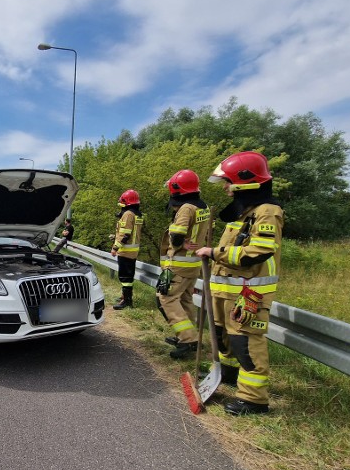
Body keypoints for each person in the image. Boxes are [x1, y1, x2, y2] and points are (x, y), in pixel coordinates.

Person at [195, 151, 283, 416]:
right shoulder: (246, 214)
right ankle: (229, 375)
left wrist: (213, 253)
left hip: (248, 293)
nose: (226, 188)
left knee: (246, 343)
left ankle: (254, 399)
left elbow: (257, 252)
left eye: (229, 182)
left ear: (246, 183)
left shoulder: (268, 213)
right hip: (224, 290)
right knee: (224, 339)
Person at [156, 170, 211, 359]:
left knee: (166, 298)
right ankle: (192, 339)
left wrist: (179, 242)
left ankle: (186, 339)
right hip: (193, 264)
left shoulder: (187, 208)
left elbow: (178, 234)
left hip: (179, 264)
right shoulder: (203, 206)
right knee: (186, 300)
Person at [110, 189, 143, 310]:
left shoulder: (128, 214)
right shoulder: (137, 214)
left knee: (125, 277)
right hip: (133, 250)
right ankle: (125, 296)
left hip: (125, 251)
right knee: (128, 275)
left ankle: (127, 301)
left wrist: (115, 247)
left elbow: (125, 234)